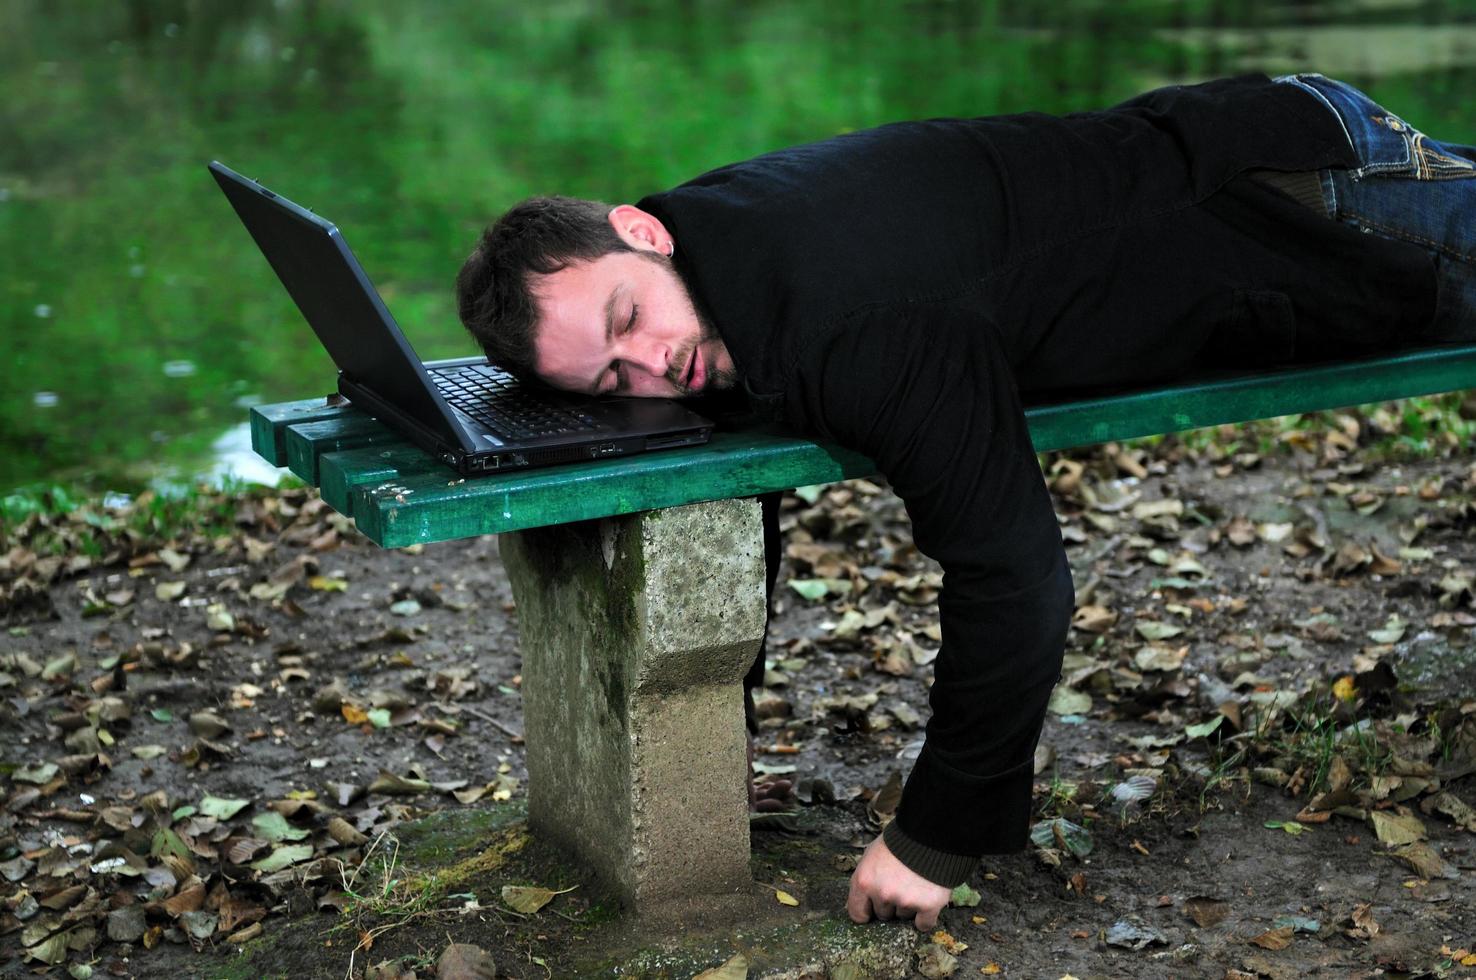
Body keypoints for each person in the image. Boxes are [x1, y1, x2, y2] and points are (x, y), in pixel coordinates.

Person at [453, 73, 1476, 930]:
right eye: (610, 382)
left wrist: (932, 837)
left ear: (640, 233)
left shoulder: (859, 322)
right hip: (1224, 156)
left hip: (1329, 205)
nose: (654, 368)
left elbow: (1017, 575)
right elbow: (726, 427)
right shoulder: (702, 247)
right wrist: (719, 745)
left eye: (628, 318)